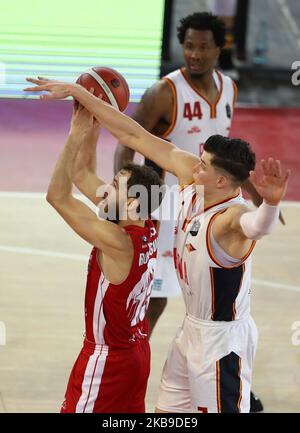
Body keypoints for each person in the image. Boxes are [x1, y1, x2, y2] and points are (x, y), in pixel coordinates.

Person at [24, 76, 290, 412]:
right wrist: (82, 96)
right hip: (189, 330)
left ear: (221, 180)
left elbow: (258, 226)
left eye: (203, 164)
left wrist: (271, 205)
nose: (194, 164)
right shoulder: (186, 186)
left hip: (222, 339)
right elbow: (133, 135)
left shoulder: (231, 219)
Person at [114, 12, 262, 338]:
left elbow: (226, 154)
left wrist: (255, 190)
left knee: (216, 293)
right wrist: (123, 201)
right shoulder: (163, 92)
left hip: (211, 208)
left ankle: (223, 365)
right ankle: (132, 359)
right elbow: (127, 143)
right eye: (188, 46)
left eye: (203, 47)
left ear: (218, 48)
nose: (195, 54)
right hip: (167, 207)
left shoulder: (229, 90)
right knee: (154, 298)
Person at [31, 98, 162, 412]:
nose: (105, 190)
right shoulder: (148, 222)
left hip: (108, 360)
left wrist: (75, 134)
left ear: (132, 203)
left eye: (115, 186)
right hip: (136, 352)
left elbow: (57, 196)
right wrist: (93, 123)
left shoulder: (118, 241)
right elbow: (82, 173)